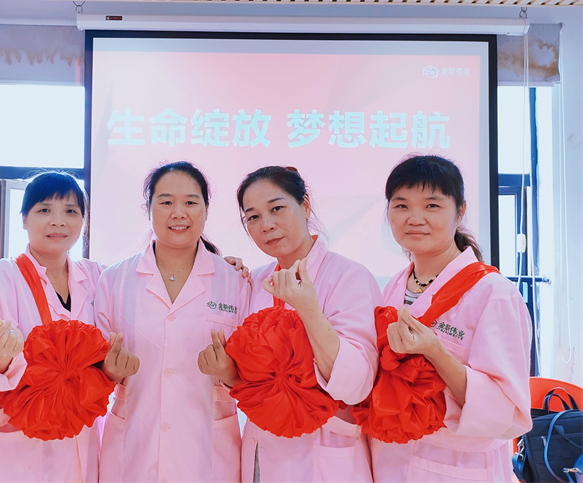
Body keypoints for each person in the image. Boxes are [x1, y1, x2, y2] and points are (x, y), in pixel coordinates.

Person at [209, 165, 380, 482]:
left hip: (326, 459)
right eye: (253, 217)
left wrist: (309, 310)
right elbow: (247, 373)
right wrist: (223, 275)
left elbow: (356, 385)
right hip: (262, 453)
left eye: (276, 208)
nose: (267, 225)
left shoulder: (349, 277)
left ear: (305, 205)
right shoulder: (253, 281)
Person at [0, 171, 137, 482]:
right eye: (44, 210)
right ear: (24, 219)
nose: (58, 221)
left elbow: (150, 278)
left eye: (70, 211)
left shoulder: (99, 276)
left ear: (83, 221)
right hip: (13, 448)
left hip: (79, 439)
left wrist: (221, 265)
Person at [368, 155, 532, 482]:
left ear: (460, 211)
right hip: (389, 459)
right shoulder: (394, 286)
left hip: (458, 468)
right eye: (401, 206)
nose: (415, 218)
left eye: (432, 205)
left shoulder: (492, 293)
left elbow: (509, 414)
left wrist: (435, 352)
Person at [95, 161, 250, 482]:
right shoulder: (115, 280)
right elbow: (92, 373)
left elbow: (253, 375)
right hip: (133, 448)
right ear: (148, 208)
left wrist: (228, 372)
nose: (179, 213)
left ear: (206, 209)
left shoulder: (234, 281)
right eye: (166, 202)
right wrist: (109, 371)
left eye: (191, 202)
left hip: (208, 452)